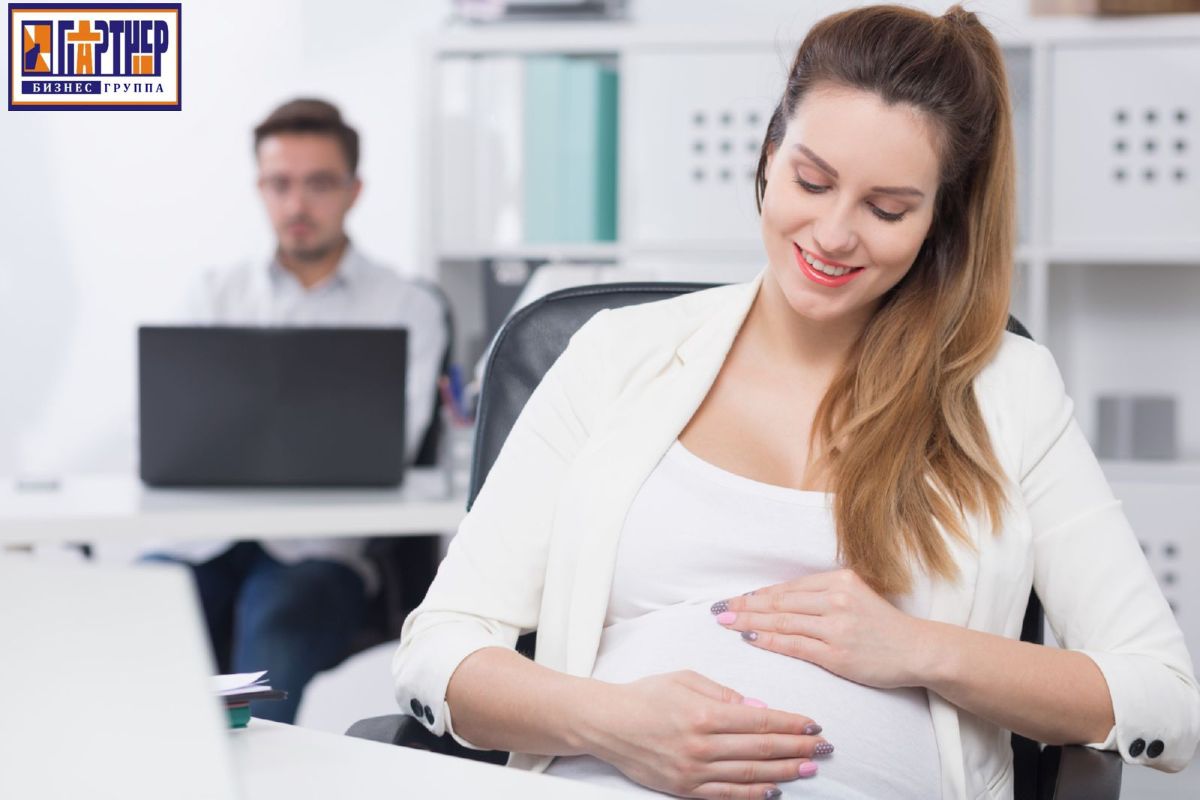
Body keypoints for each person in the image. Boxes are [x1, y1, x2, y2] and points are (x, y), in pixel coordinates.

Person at [392, 6, 1200, 799]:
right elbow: (439, 648)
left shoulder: (1008, 389)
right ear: (771, 154)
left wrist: (920, 650)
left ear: (938, 218)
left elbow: (1165, 701)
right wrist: (611, 722)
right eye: (812, 181)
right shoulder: (615, 354)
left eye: (887, 209)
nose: (835, 233)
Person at [149, 98, 448, 724]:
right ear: (260, 188)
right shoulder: (214, 294)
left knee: (275, 625)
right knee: (142, 613)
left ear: (353, 190)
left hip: (318, 553)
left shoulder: (406, 306)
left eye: (318, 184)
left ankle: (245, 772)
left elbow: (388, 446)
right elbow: (170, 430)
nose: (297, 204)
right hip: (205, 541)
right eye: (279, 184)